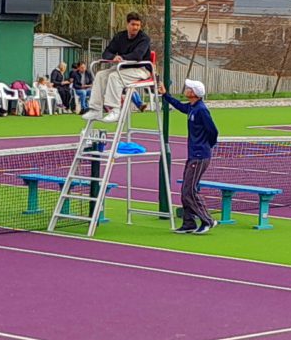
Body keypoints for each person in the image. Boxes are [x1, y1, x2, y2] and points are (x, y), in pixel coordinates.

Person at [163, 79, 220, 234]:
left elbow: (213, 131)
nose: (186, 89)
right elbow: (180, 106)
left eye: (189, 88)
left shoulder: (201, 110)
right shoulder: (192, 107)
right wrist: (165, 95)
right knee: (185, 190)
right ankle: (189, 223)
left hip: (199, 156)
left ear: (194, 93)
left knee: (189, 190)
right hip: (193, 154)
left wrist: (206, 146)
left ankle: (207, 220)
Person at [93, 13, 154, 119]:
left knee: (115, 77)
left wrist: (121, 58)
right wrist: (113, 57)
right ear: (127, 24)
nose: (136, 27)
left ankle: (115, 110)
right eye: (133, 24)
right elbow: (107, 52)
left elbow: (138, 55)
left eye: (138, 25)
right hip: (124, 68)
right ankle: (95, 109)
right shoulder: (120, 37)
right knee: (100, 75)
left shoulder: (144, 39)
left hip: (141, 69)